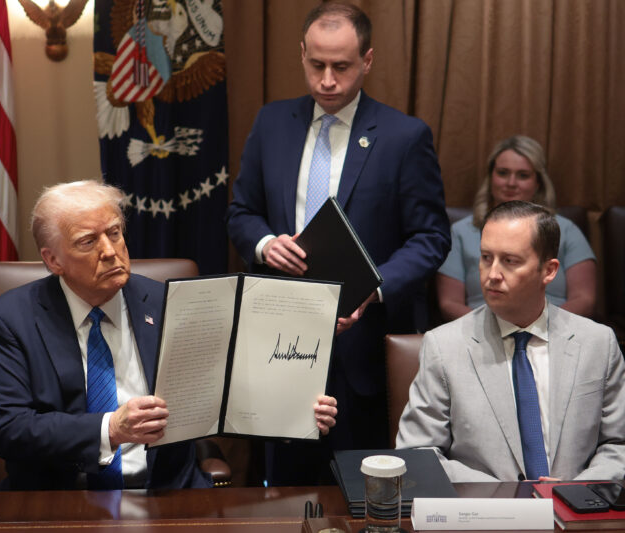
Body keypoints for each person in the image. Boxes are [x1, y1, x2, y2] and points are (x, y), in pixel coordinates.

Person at [0, 180, 339, 490]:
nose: (110, 251)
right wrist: (111, 428)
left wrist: (293, 412)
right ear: (53, 260)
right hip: (64, 499)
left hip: (167, 492)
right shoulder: (11, 320)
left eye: (114, 233)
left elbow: (224, 393)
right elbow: (9, 430)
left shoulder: (171, 303)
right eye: (87, 242)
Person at [225, 2, 450, 482]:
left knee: (359, 485)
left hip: (361, 348)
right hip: (280, 338)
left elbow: (431, 238)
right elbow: (241, 212)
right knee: (283, 488)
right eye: (317, 64)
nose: (327, 80)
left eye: (342, 66)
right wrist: (265, 244)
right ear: (302, 54)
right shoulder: (272, 123)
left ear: (367, 60)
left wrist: (374, 287)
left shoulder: (404, 137)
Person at [397, 201, 625, 482]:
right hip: (485, 506)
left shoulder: (598, 343)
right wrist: (508, 496)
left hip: (577, 505)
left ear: (549, 270)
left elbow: (619, 444)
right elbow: (418, 452)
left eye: (510, 261)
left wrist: (576, 490)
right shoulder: (444, 347)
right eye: (486, 257)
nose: (492, 274)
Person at [436, 135, 596, 321]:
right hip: (481, 329)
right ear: (491, 177)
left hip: (554, 329)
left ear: (538, 182)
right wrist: (494, 329)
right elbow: (449, 303)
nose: (511, 183)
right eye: (503, 173)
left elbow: (584, 299)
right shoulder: (460, 232)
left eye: (523, 175)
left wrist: (540, 328)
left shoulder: (566, 230)